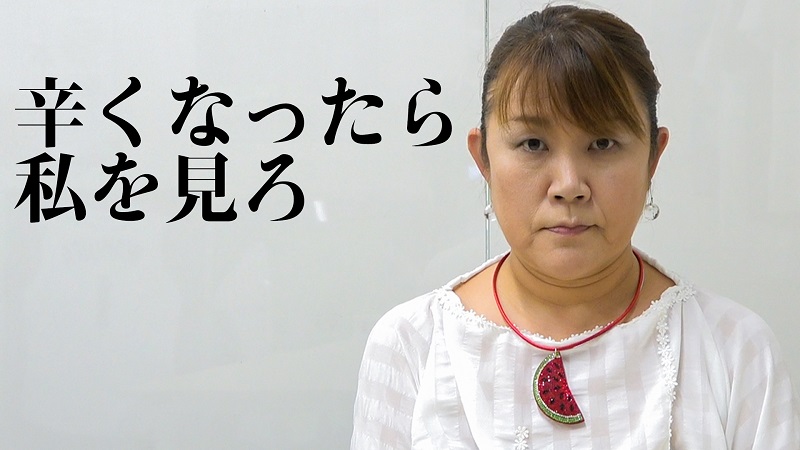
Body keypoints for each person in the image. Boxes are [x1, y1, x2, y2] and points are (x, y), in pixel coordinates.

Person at [351, 4, 800, 449]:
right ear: (483, 158)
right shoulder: (412, 345)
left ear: (653, 158)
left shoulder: (735, 351)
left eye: (602, 143)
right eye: (533, 144)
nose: (569, 186)